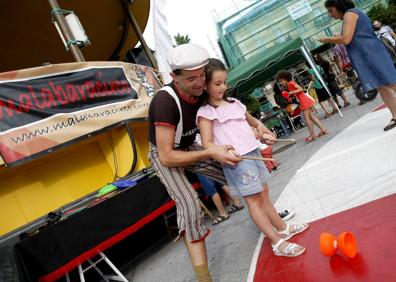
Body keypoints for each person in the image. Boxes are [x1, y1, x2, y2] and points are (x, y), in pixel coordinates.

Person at [148, 43, 242, 282]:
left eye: (202, 75)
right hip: (165, 155)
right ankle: (204, 279)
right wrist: (210, 153)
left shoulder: (201, 92)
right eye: (192, 79)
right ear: (174, 77)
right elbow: (168, 156)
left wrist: (257, 127)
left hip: (189, 147)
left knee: (238, 168)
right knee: (189, 204)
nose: (200, 83)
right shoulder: (165, 101)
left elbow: (229, 107)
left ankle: (270, 222)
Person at [198, 58, 308, 257]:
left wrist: (264, 132)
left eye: (224, 82)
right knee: (254, 200)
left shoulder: (235, 103)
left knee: (264, 194)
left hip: (253, 152)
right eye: (217, 84)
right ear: (204, 85)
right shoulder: (206, 112)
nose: (223, 86)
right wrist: (225, 151)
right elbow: (207, 143)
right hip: (237, 161)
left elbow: (254, 122)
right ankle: (276, 242)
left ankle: (281, 227)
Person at [321, 0, 396, 131]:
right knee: (381, 87)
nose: (330, 14)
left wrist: (328, 39)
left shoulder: (350, 14)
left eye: (330, 10)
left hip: (370, 53)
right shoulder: (350, 15)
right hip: (366, 54)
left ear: (338, 6)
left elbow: (346, 39)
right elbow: (353, 35)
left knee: (390, 82)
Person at [277, 70, 328, 143]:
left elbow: (300, 89)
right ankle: (323, 130)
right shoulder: (289, 84)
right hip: (303, 100)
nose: (281, 83)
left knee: (307, 119)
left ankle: (312, 135)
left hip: (304, 100)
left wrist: (290, 93)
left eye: (281, 81)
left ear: (286, 78)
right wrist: (291, 97)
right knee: (312, 117)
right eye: (279, 82)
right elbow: (298, 93)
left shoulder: (291, 83)